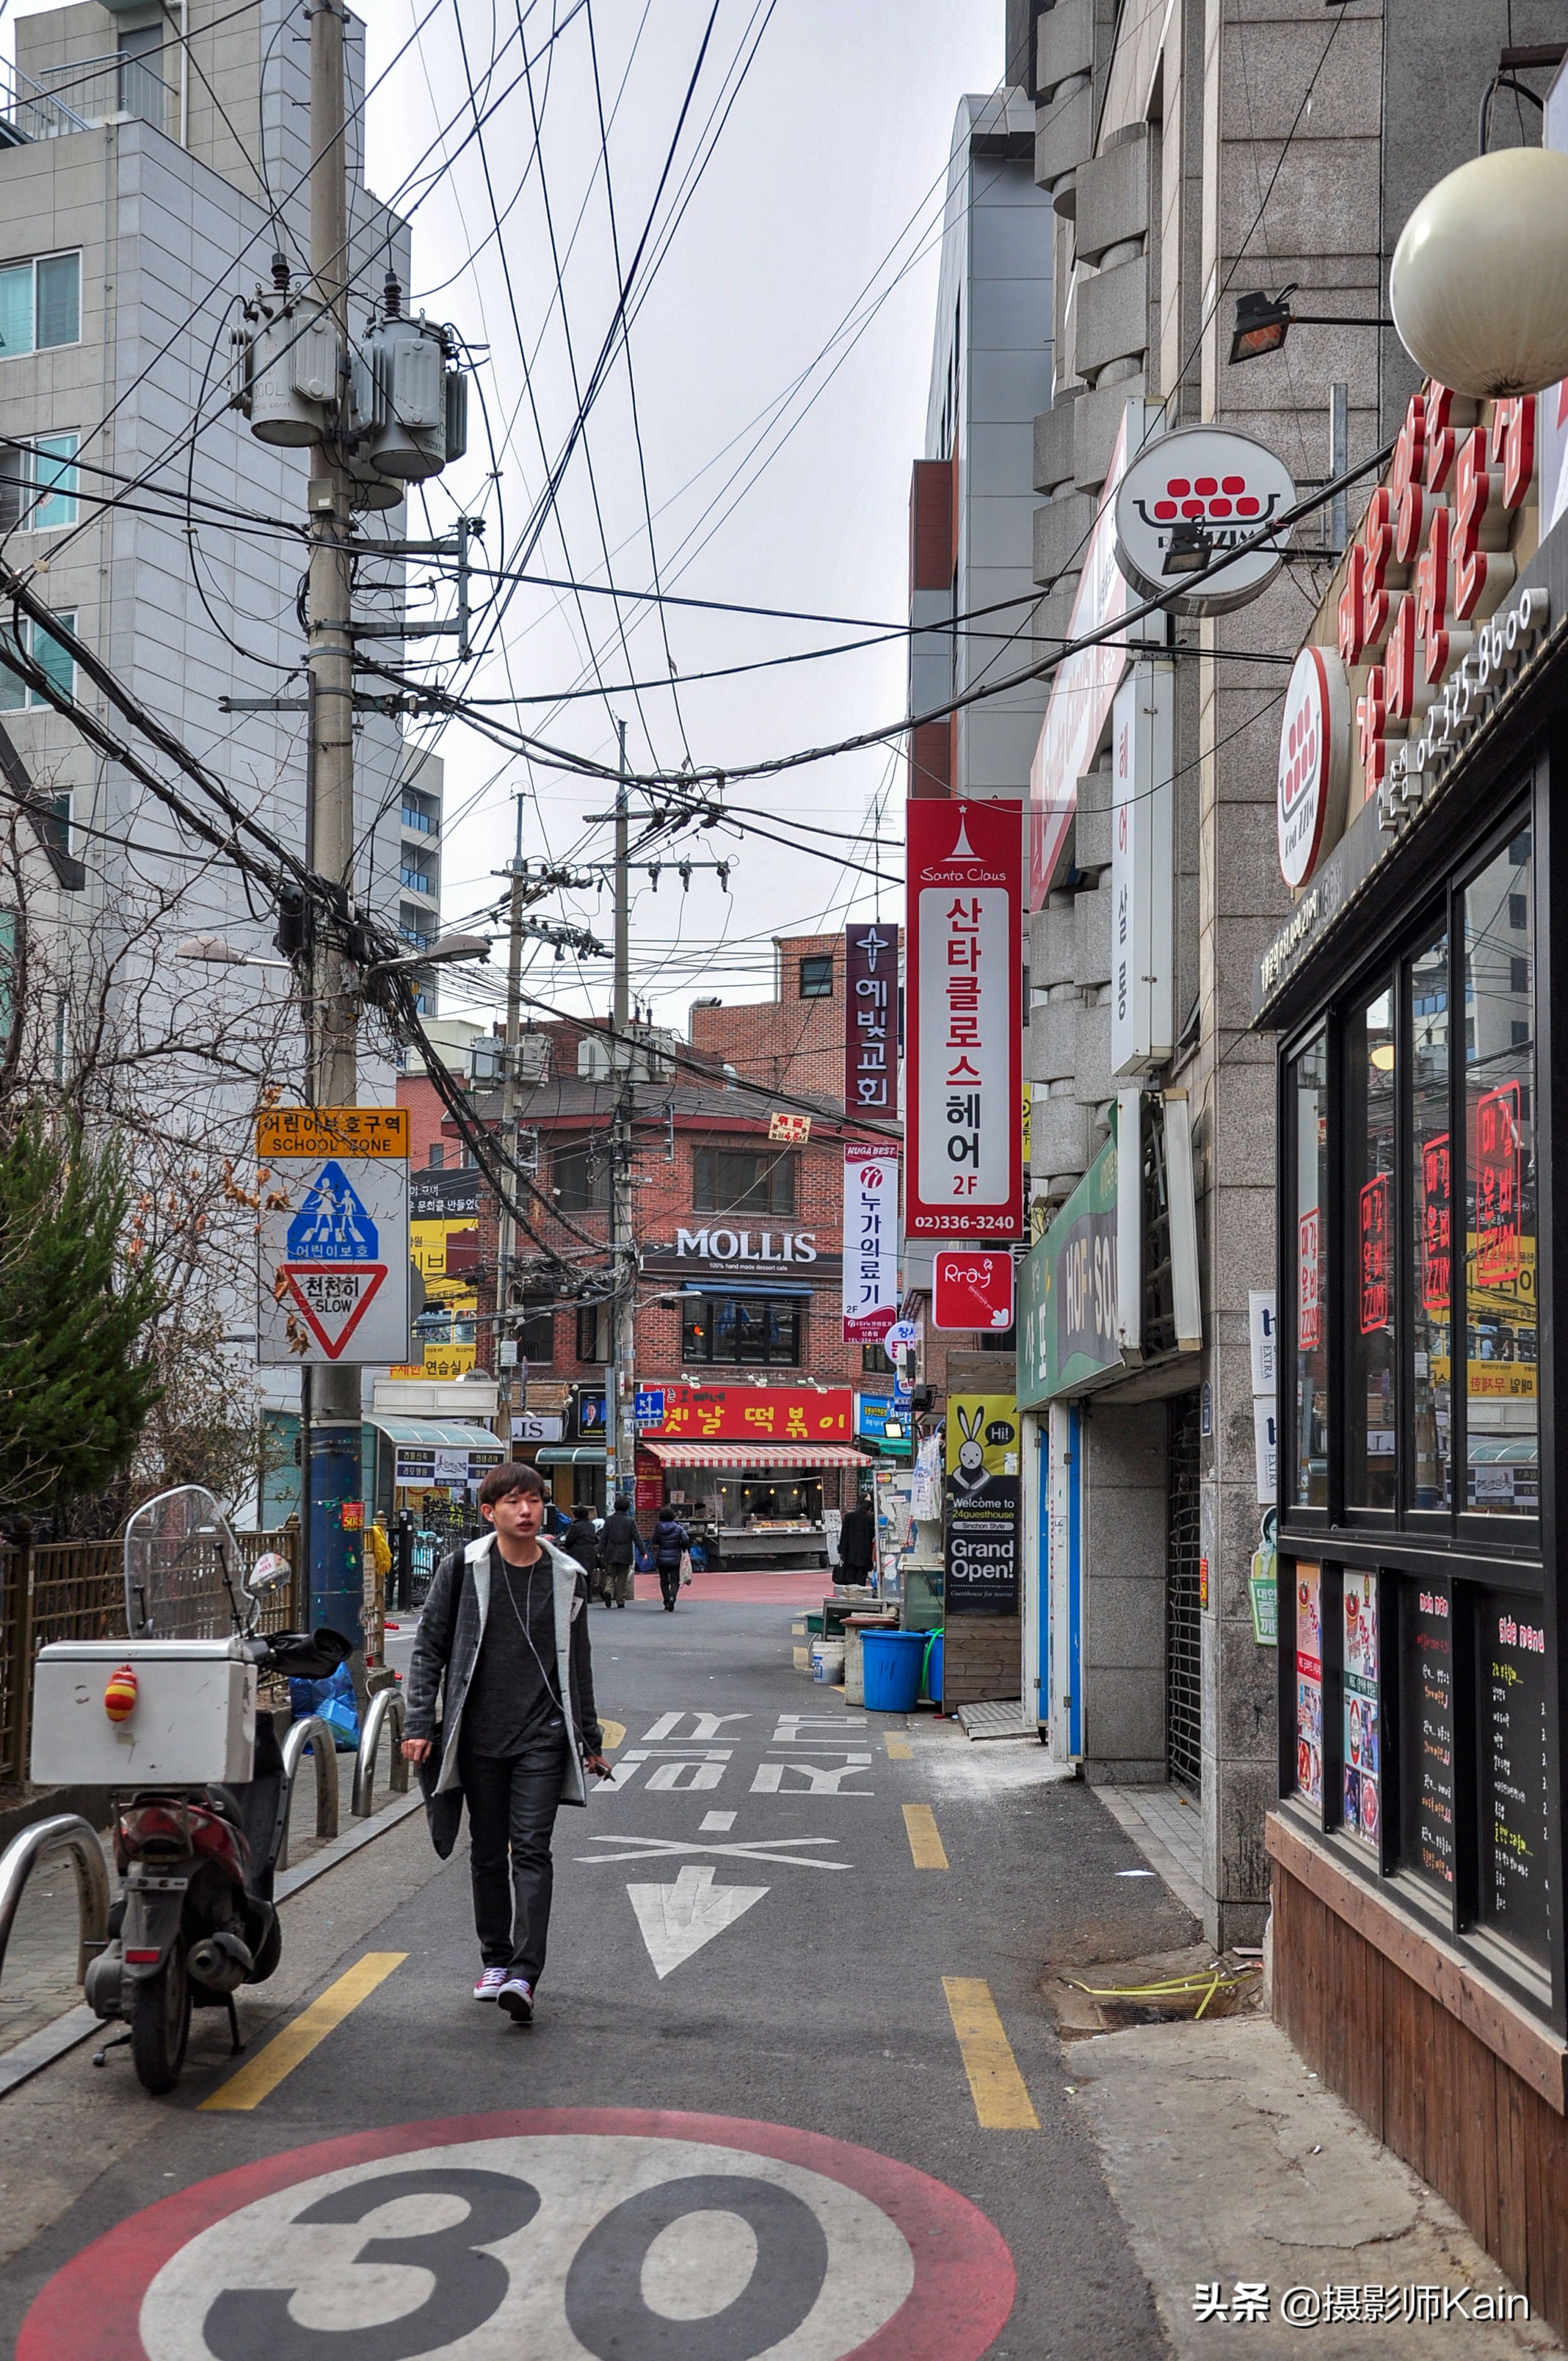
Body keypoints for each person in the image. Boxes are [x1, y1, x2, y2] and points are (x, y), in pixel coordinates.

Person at [401, 1460, 611, 2024]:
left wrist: (587, 1738)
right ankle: (495, 1960)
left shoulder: (567, 1576)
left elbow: (579, 1666)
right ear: (488, 1511)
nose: (526, 1510)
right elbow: (429, 1651)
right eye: (513, 1501)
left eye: (535, 1500)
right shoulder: (462, 1569)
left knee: (533, 1850)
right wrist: (419, 1723)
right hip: (477, 1736)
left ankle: (524, 1973)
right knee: (488, 1852)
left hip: (541, 1738)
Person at [598, 1493, 639, 1609]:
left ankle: (608, 1590)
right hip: (625, 1552)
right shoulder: (630, 1521)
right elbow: (637, 1537)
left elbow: (604, 1537)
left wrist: (599, 1551)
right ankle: (620, 1600)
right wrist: (643, 1551)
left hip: (611, 1551)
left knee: (610, 1574)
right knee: (622, 1577)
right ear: (627, 1508)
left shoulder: (609, 1520)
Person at [650, 1505, 690, 1612]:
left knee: (664, 1581)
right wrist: (682, 1546)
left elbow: (655, 1540)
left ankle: (666, 1600)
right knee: (675, 1580)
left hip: (662, 1558)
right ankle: (672, 1597)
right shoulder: (678, 1528)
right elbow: (686, 1540)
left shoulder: (658, 1528)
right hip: (676, 1558)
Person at [562, 1501, 599, 1599]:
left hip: (577, 1553)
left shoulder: (575, 1527)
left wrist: (566, 1547)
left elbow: (569, 1541)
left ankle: (579, 1595)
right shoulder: (592, 1526)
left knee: (578, 1575)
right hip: (590, 1552)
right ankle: (589, 1596)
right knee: (589, 1575)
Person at [837, 1496, 876, 1584]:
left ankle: (851, 1593)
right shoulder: (870, 1520)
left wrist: (841, 1551)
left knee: (850, 1577)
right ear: (870, 1509)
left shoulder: (849, 1517)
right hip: (864, 1553)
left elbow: (844, 1534)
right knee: (861, 1578)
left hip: (849, 1552)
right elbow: (872, 1536)